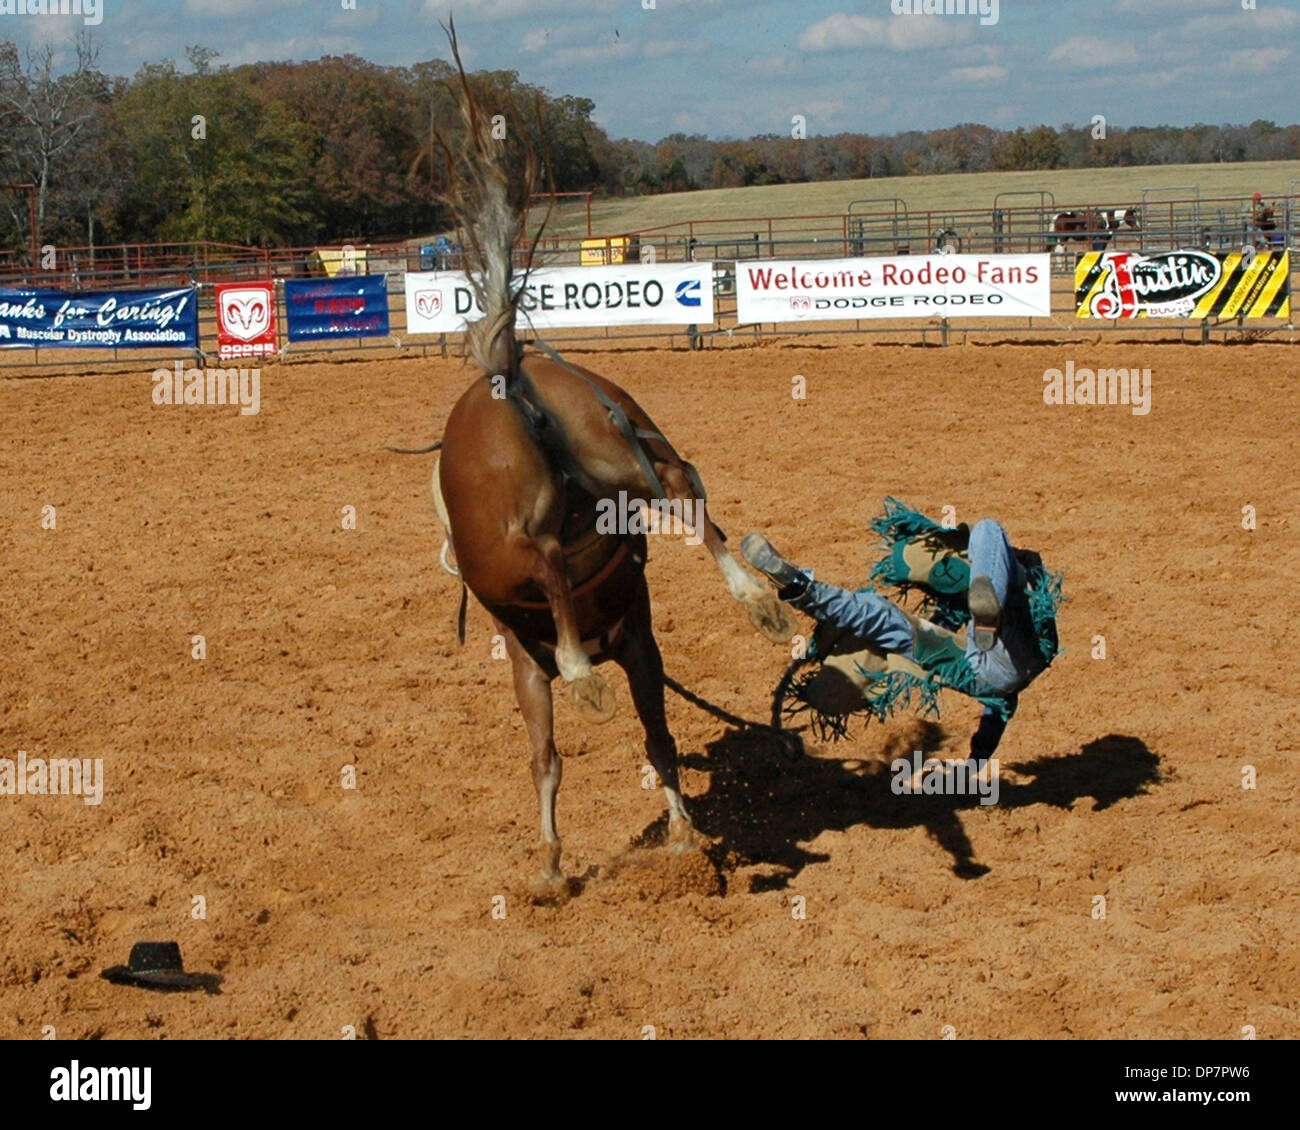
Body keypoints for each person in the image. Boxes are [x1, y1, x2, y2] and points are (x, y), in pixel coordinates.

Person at [742, 517, 1052, 763]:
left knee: (986, 530)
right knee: (898, 622)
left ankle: (801, 587)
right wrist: (977, 760)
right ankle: (799, 585)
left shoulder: (1018, 574)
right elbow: (999, 708)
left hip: (988, 660)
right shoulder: (1014, 664)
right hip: (998, 676)